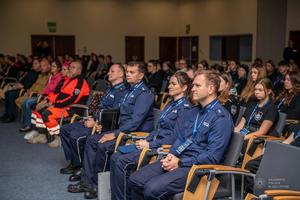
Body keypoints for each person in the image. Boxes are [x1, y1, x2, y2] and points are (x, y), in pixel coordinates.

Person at [128, 70, 233, 200]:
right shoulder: (194, 112)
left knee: (151, 188)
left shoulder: (220, 118)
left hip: (198, 169)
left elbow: (212, 156)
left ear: (211, 89)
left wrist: (181, 162)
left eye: (197, 86)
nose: (192, 89)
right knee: (135, 179)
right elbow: (182, 138)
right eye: (193, 85)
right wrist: (172, 154)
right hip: (179, 159)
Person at [67, 62, 154, 198]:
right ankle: (87, 180)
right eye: (127, 72)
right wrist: (104, 125)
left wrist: (114, 134)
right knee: (92, 139)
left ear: (141, 75)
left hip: (133, 135)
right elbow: (118, 113)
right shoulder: (130, 90)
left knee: (102, 145)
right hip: (122, 130)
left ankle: (97, 185)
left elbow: (135, 122)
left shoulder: (144, 94)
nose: (128, 74)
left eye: (132, 72)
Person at [110, 71, 194, 200]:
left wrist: (150, 144)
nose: (169, 86)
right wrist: (147, 138)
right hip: (153, 142)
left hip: (161, 148)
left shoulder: (186, 109)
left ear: (183, 88)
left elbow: (175, 138)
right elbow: (158, 129)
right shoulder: (171, 104)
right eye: (170, 83)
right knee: (115, 156)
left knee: (121, 161)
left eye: (173, 84)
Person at [59, 63, 128, 175]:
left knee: (75, 135)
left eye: (112, 71)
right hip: (95, 119)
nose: (108, 73)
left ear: (121, 74)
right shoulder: (110, 88)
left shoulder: (122, 91)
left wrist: (96, 122)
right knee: (65, 129)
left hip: (102, 125)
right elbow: (100, 108)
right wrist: (91, 118)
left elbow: (114, 115)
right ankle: (75, 162)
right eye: (109, 71)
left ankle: (81, 167)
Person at [27, 61, 90, 147]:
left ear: (79, 70)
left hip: (72, 109)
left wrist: (55, 104)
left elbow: (72, 99)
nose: (70, 69)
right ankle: (42, 135)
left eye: (73, 67)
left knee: (47, 114)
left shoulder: (80, 81)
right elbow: (59, 95)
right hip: (63, 106)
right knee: (38, 111)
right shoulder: (69, 80)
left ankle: (59, 137)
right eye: (70, 67)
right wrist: (48, 101)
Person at [19, 60, 63, 131]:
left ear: (58, 68)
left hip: (49, 98)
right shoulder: (52, 76)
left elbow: (53, 90)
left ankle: (29, 125)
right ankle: (27, 124)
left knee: (28, 103)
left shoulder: (59, 77)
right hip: (44, 96)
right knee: (25, 102)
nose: (51, 67)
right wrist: (42, 92)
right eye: (51, 66)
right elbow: (46, 88)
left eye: (54, 66)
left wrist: (43, 94)